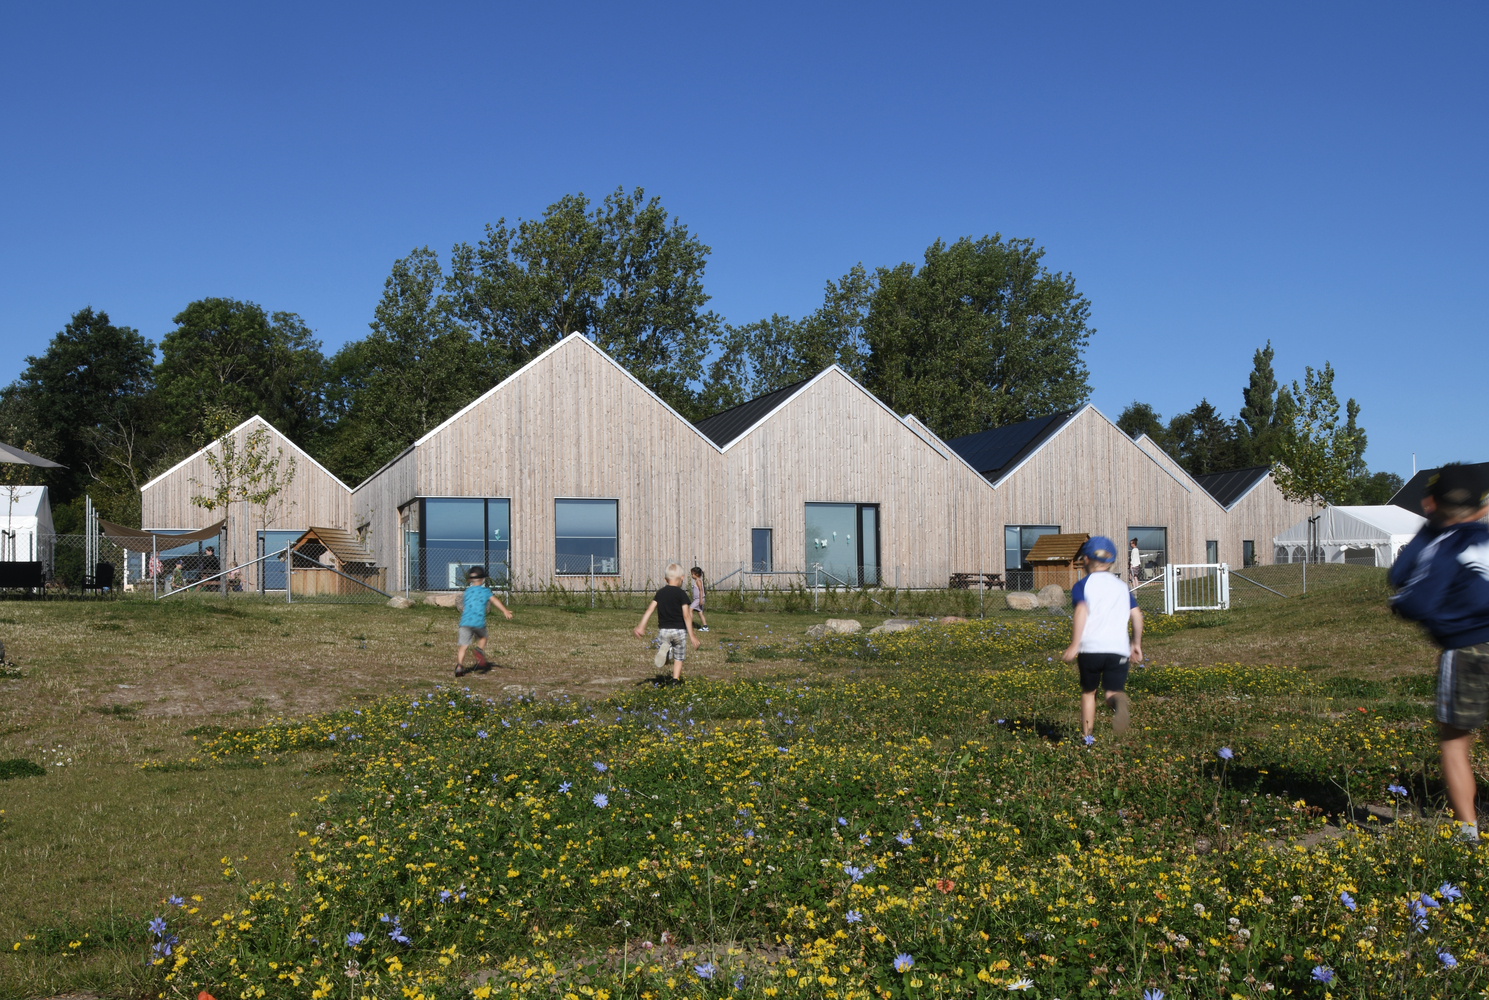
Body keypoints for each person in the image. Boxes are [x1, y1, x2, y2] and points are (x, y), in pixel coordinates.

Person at [1388, 464, 1489, 844]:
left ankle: (1467, 834)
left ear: (1431, 504)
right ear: (1483, 508)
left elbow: (1411, 594)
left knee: (1454, 742)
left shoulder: (1444, 546)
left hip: (1466, 649)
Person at [1061, 536, 1144, 738]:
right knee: (1112, 691)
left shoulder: (1082, 585)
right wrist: (1136, 643)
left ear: (1086, 560)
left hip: (1091, 649)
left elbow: (1081, 610)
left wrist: (1074, 644)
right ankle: (1117, 703)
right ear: (1111, 562)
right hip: (1118, 649)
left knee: (1089, 693)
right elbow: (1137, 615)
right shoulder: (1122, 587)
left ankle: (1087, 738)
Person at [634, 562, 701, 684]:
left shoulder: (660, 593)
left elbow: (650, 609)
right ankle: (675, 680)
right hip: (679, 631)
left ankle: (666, 653)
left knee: (666, 658)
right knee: (679, 657)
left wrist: (641, 626)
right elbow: (686, 615)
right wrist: (692, 636)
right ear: (682, 578)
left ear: (665, 579)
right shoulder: (682, 594)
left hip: (664, 630)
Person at [455, 566, 513, 678]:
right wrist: (505, 610)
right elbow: (494, 600)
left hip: (465, 622)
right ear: (482, 579)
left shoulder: (467, 591)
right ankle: (479, 650)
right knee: (483, 637)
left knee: (463, 646)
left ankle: (459, 666)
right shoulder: (485, 591)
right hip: (478, 621)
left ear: (470, 579)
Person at [690, 566, 710, 631]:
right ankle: (705, 626)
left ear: (697, 574)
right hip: (697, 599)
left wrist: (701, 599)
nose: (691, 575)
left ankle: (689, 625)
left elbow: (701, 590)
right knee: (700, 612)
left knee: (690, 610)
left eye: (692, 574)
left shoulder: (698, 581)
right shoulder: (696, 581)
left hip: (698, 599)